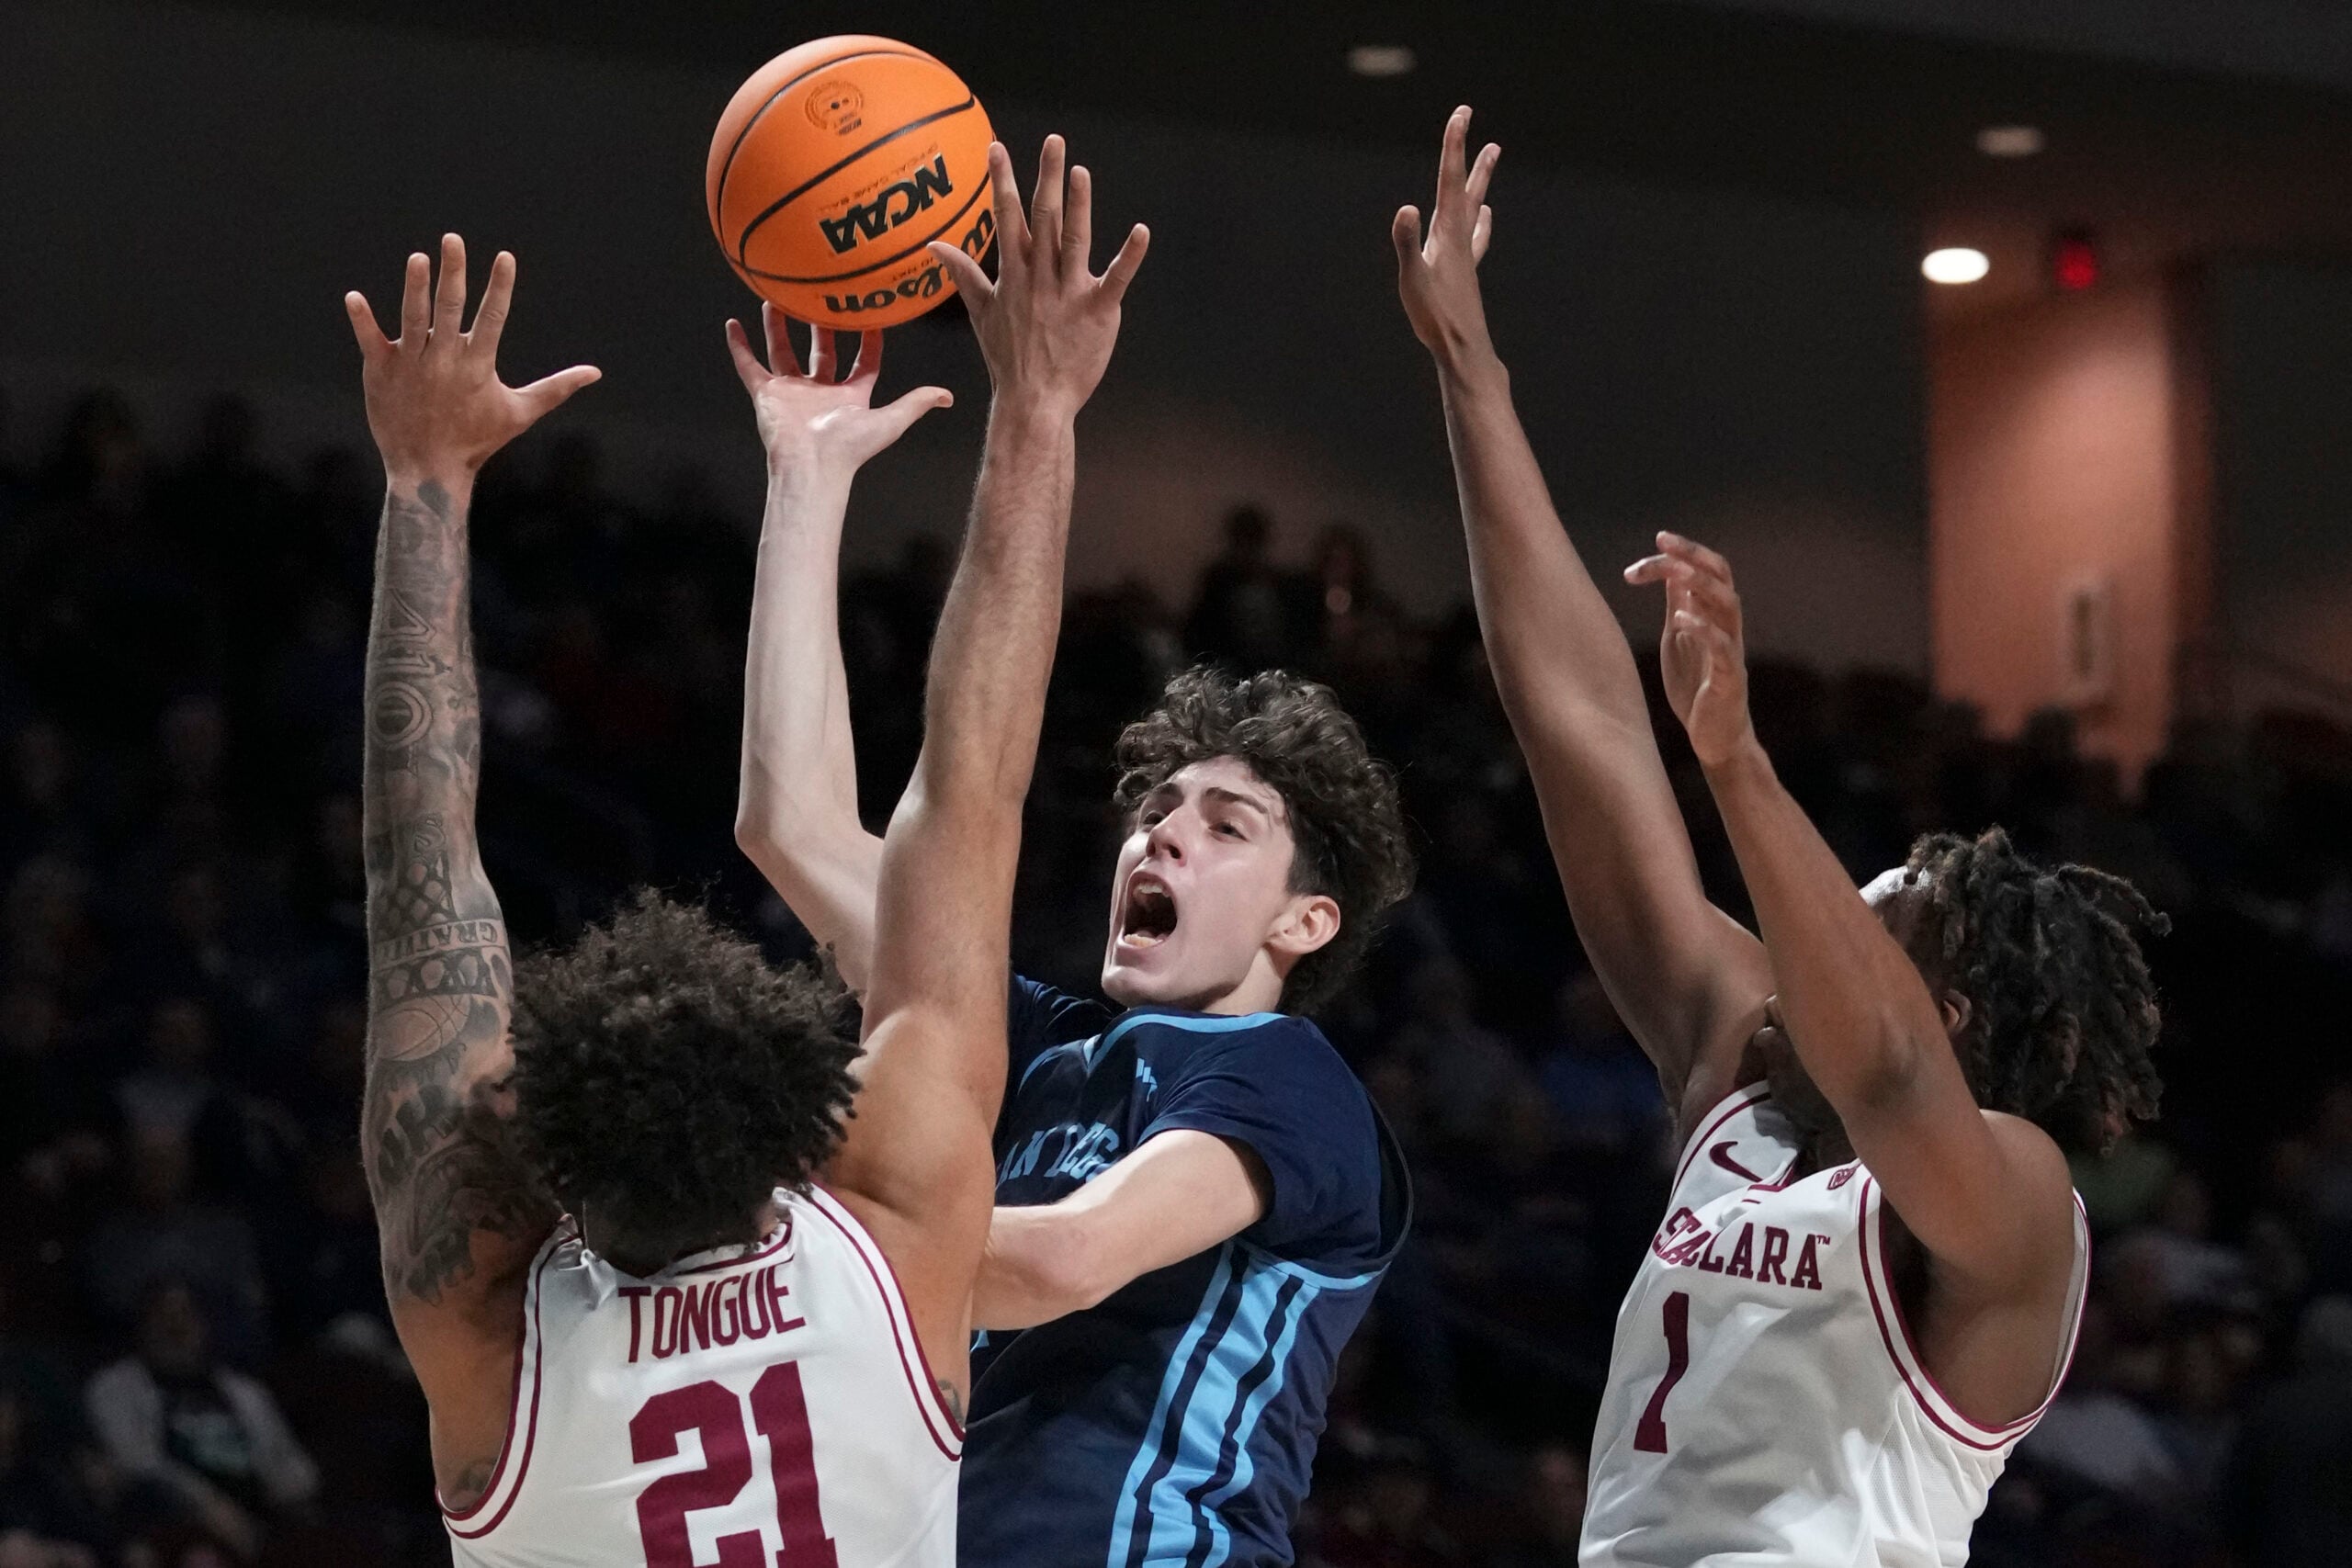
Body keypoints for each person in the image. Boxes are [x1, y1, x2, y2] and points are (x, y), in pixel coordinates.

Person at [343, 125, 1144, 1567]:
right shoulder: (897, 1231)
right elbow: (974, 787)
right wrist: (1042, 406)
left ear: (549, 1148)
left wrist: (425, 486)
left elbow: (419, 878)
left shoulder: (487, 1328)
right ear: (801, 1131)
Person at [1390, 106, 2165, 1564]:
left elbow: (1889, 1072)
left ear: (1946, 1009)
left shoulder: (2015, 1206)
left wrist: (1738, 761)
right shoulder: (1740, 1083)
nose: (1803, 949)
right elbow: (1583, 731)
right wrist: (1473, 378)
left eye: (1865, 930)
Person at [736, 148, 1415, 1568]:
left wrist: (759, 1235)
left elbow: (1058, 1260)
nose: (1160, 831)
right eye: (1157, 808)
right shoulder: (1032, 1044)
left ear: (1304, 921)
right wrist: (806, 477)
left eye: (1224, 826)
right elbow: (789, 828)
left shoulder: (1282, 1083)